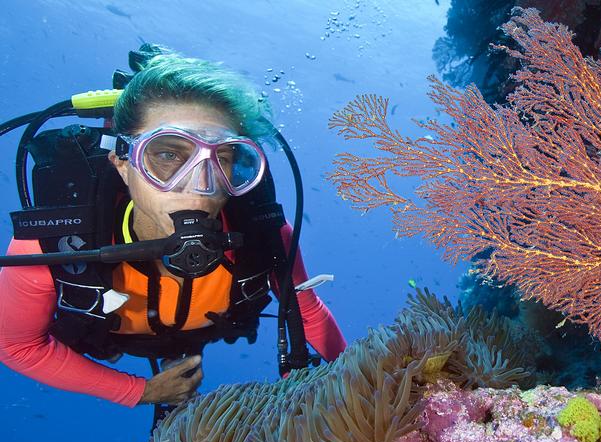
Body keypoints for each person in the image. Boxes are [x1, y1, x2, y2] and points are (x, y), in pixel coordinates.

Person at [0, 44, 346, 409]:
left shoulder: (266, 236)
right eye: (167, 155)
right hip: (113, 340)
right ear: (122, 161)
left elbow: (307, 310)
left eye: (222, 158)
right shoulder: (52, 246)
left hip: (208, 326)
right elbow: (14, 344)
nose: (200, 185)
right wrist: (141, 391)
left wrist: (363, 380)